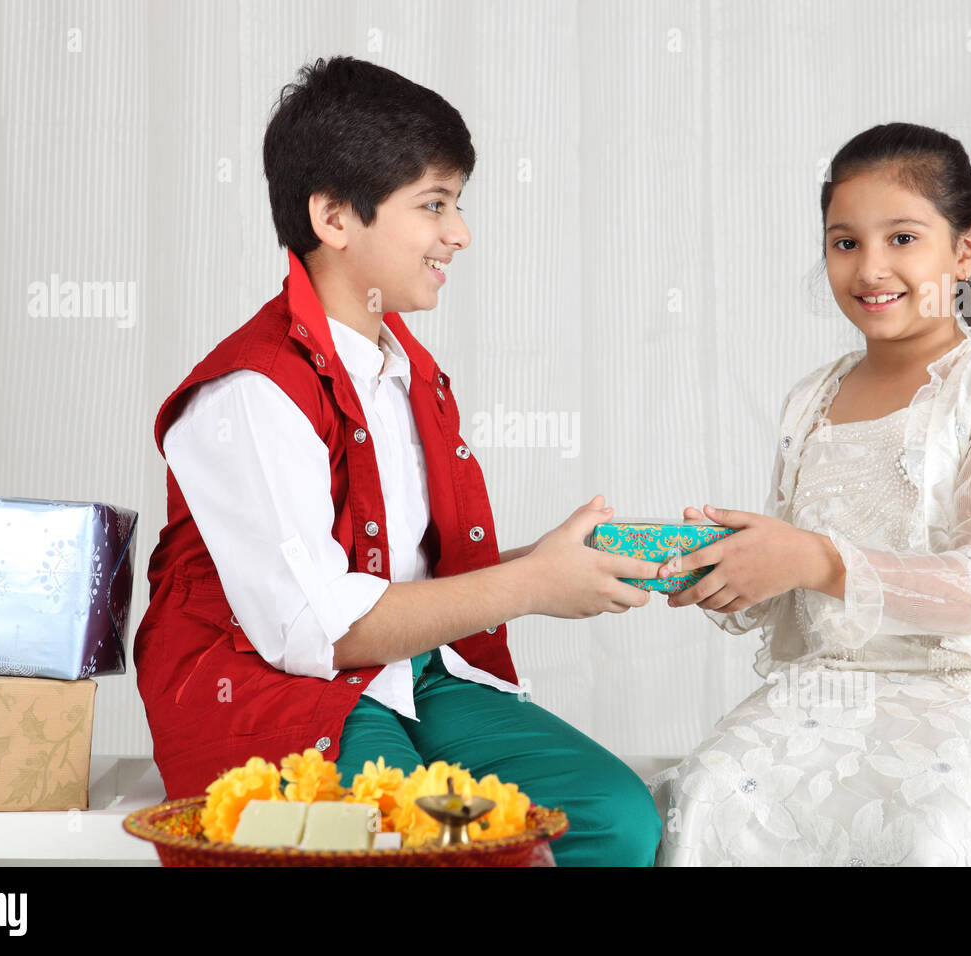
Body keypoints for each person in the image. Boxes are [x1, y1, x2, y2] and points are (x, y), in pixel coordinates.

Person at [133, 56, 664, 866]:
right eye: (435, 205)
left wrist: (561, 564)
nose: (460, 232)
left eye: (457, 204)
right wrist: (528, 586)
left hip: (405, 666)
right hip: (279, 685)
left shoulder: (401, 368)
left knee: (611, 820)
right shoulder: (250, 394)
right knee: (424, 839)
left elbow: (402, 579)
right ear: (335, 217)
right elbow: (311, 629)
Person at [652, 122, 971, 865]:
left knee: (924, 818)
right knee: (709, 793)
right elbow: (793, 592)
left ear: (966, 249)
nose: (871, 267)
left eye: (903, 238)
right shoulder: (811, 398)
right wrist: (725, 564)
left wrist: (811, 558)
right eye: (844, 242)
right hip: (827, 690)